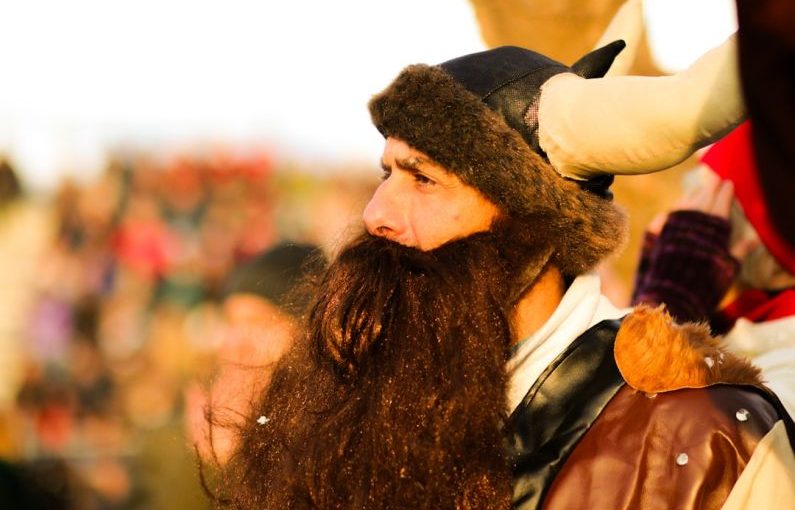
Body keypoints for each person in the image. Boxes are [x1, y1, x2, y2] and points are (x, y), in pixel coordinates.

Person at [211, 38, 795, 510]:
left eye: (423, 179)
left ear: (531, 226)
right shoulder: (362, 402)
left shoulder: (709, 441)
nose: (375, 213)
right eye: (385, 172)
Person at [633, 120, 795, 418]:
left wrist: (670, 301)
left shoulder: (785, 378)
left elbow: (633, 430)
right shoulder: (742, 320)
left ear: (753, 239)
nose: (666, 221)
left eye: (699, 206)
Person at [186, 242, 325, 465]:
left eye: (258, 323)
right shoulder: (220, 413)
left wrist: (229, 458)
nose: (231, 344)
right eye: (231, 323)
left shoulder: (325, 422)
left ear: (306, 330)